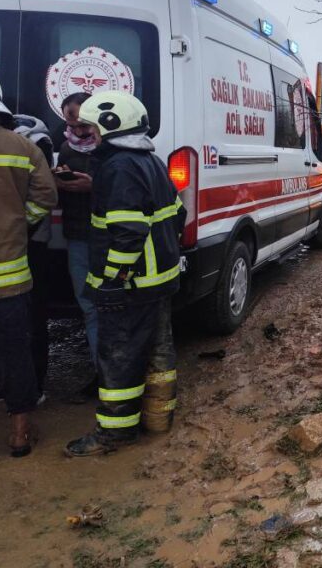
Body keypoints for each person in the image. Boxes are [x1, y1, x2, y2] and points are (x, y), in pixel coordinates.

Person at [65, 91, 185, 457]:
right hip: (160, 279)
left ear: (110, 125)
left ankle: (114, 434)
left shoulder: (117, 168)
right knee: (158, 352)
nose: (86, 135)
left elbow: (129, 232)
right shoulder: (150, 160)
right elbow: (178, 215)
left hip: (132, 284)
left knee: (119, 358)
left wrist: (113, 280)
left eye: (89, 128)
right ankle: (157, 419)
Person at [0, 65, 57, 457]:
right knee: (16, 356)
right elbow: (46, 197)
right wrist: (20, 223)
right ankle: (20, 435)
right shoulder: (23, 147)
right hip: (11, 278)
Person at [54, 92, 100, 375]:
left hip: (107, 238)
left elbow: (127, 192)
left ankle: (111, 375)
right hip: (77, 236)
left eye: (84, 123)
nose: (79, 130)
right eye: (72, 123)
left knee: (108, 308)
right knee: (88, 307)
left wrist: (94, 187)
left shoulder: (111, 149)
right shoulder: (66, 147)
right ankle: (100, 371)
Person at [12, 114, 55, 400]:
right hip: (25, 241)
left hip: (25, 243)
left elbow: (43, 196)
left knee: (28, 318)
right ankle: (27, 390)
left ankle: (31, 387)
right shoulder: (33, 142)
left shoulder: (32, 143)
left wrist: (22, 226)